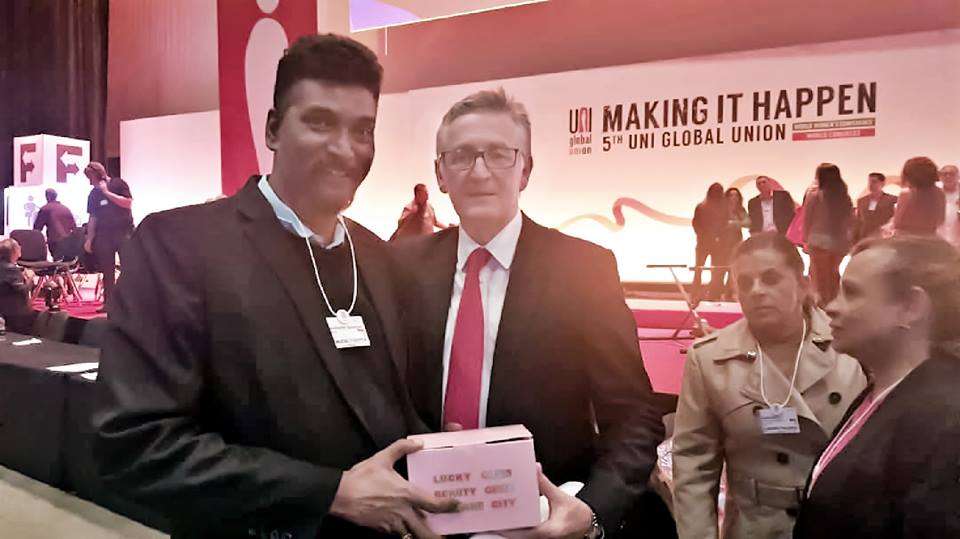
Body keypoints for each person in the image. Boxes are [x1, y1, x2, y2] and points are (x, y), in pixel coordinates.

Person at [92, 34, 456, 539]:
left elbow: (387, 412)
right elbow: (135, 443)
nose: (345, 149)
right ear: (272, 129)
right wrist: (328, 493)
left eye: (362, 130)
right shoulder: (180, 245)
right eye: (320, 122)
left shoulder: (381, 260)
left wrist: (445, 455)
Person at [398, 88, 668, 539]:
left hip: (543, 523)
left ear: (525, 170)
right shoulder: (401, 268)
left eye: (498, 154)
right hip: (424, 520)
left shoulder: (583, 269)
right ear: (440, 173)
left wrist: (591, 511)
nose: (479, 171)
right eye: (461, 156)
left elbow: (633, 415)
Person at [672, 232, 866, 539]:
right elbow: (693, 464)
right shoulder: (710, 359)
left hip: (842, 522)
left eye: (771, 278)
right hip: (757, 527)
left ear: (803, 285)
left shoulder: (851, 344)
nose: (757, 290)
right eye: (745, 283)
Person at [794, 236, 960, 538]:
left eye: (851, 293)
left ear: (910, 307)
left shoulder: (945, 418)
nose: (830, 307)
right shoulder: (885, 391)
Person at [83, 160, 134, 312]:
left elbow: (127, 203)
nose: (90, 182)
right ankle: (109, 304)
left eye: (91, 178)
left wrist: (106, 193)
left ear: (100, 175)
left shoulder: (119, 184)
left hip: (123, 232)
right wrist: (89, 238)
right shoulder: (93, 194)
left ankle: (129, 302)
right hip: (103, 234)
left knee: (128, 268)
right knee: (107, 270)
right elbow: (93, 217)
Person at [803, 163, 854, 306]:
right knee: (833, 275)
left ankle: (824, 306)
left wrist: (805, 238)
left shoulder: (814, 194)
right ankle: (836, 303)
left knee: (820, 278)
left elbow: (807, 217)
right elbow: (850, 219)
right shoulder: (843, 196)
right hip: (839, 241)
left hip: (818, 240)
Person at [692, 183, 728, 301]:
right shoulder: (702, 207)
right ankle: (705, 294)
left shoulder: (722, 207)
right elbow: (696, 224)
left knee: (709, 270)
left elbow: (696, 224)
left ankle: (709, 294)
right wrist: (709, 236)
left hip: (712, 243)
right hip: (708, 242)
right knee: (702, 270)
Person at [893, 156, 945, 236]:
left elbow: (898, 222)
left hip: (908, 238)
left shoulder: (906, 194)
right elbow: (941, 220)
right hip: (931, 236)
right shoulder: (940, 193)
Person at [720, 187, 750, 300]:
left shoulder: (740, 210)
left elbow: (748, 222)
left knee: (732, 267)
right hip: (722, 241)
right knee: (721, 267)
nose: (734, 197)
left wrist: (735, 223)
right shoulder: (722, 209)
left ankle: (729, 291)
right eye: (731, 195)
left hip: (735, 241)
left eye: (736, 195)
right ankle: (717, 291)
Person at [0, 238, 35, 331]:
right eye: (18, 246)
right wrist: (30, 278)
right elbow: (23, 290)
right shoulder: (11, 269)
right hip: (15, 312)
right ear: (13, 252)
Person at [33, 188, 78, 260]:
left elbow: (37, 229)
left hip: (55, 242)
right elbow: (74, 227)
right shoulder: (65, 208)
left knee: (57, 262)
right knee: (66, 262)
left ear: (47, 196)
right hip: (69, 242)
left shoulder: (45, 209)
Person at [853, 172, 896, 242]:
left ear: (882, 184)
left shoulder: (892, 200)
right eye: (869, 182)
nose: (870, 185)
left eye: (874, 182)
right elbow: (858, 222)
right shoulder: (861, 201)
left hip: (883, 238)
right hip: (864, 238)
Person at [936, 164, 959, 246]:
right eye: (945, 174)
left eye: (951, 174)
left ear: (958, 176)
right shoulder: (934, 193)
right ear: (940, 177)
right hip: (938, 242)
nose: (948, 176)